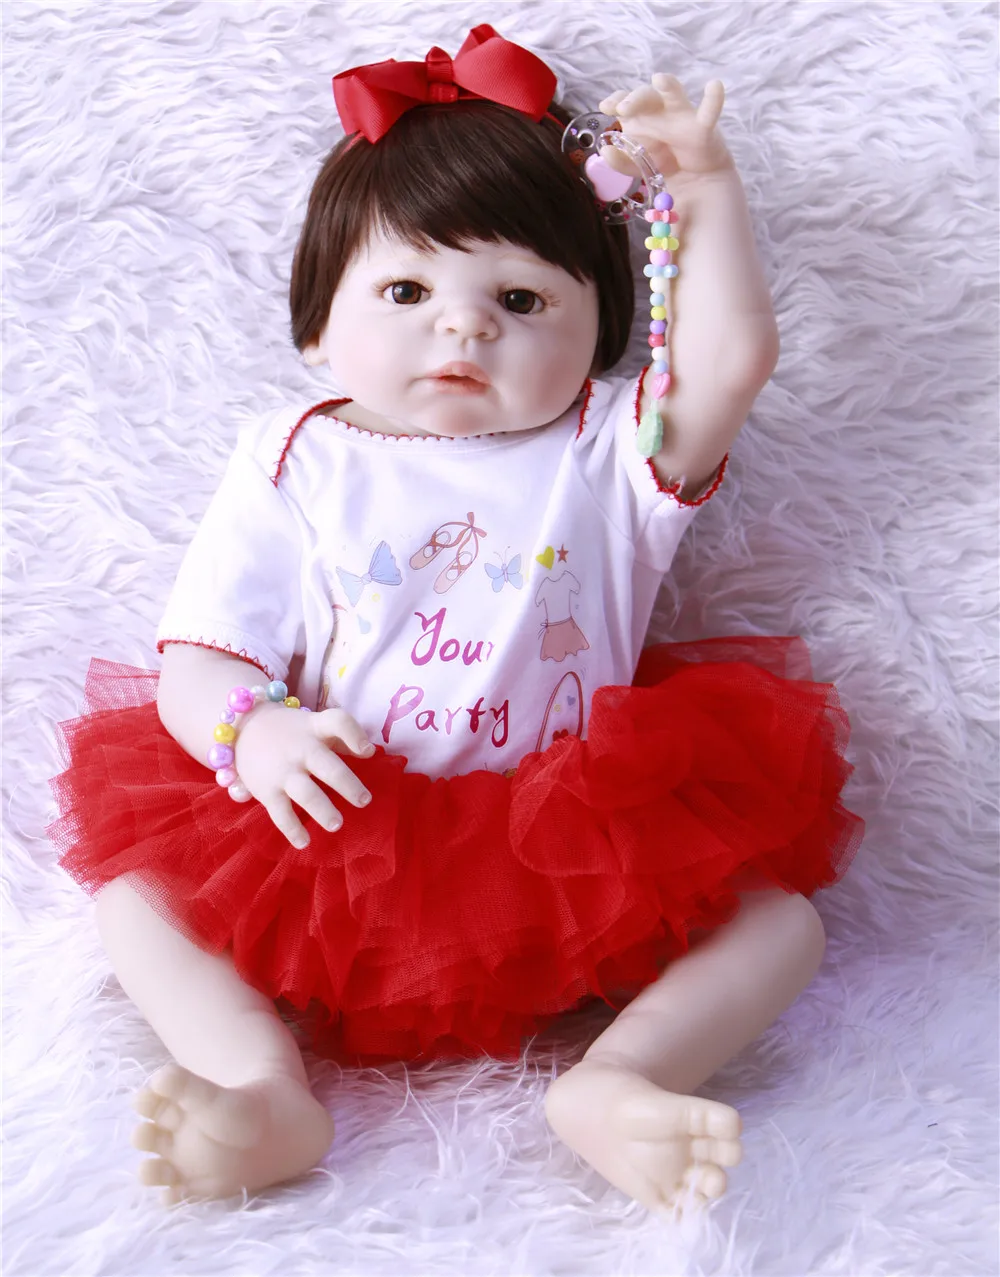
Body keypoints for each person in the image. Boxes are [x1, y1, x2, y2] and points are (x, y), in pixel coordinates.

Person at [46, 25, 864, 1213]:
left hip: (581, 856)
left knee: (780, 924)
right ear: (318, 326)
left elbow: (730, 360)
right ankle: (261, 1081)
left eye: (520, 298)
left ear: (602, 336)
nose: (464, 326)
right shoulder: (297, 456)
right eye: (406, 290)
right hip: (338, 839)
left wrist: (703, 185)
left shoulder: (610, 447)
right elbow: (202, 653)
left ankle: (618, 1076)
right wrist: (254, 731)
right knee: (136, 901)